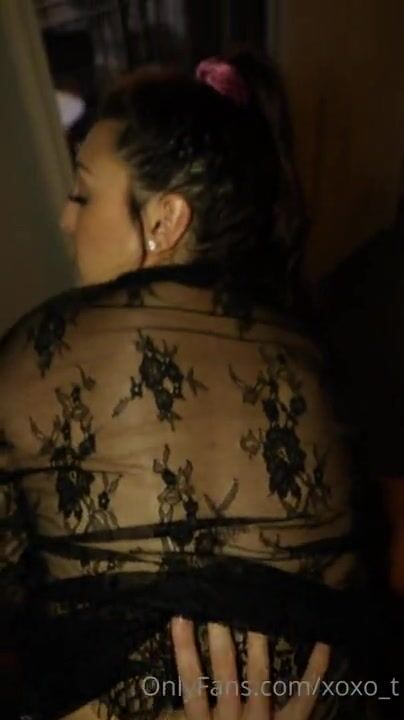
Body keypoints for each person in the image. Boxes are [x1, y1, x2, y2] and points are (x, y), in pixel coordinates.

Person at [0, 53, 363, 719]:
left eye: (82, 193)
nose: (66, 219)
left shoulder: (43, 352)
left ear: (165, 220)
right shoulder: (311, 356)